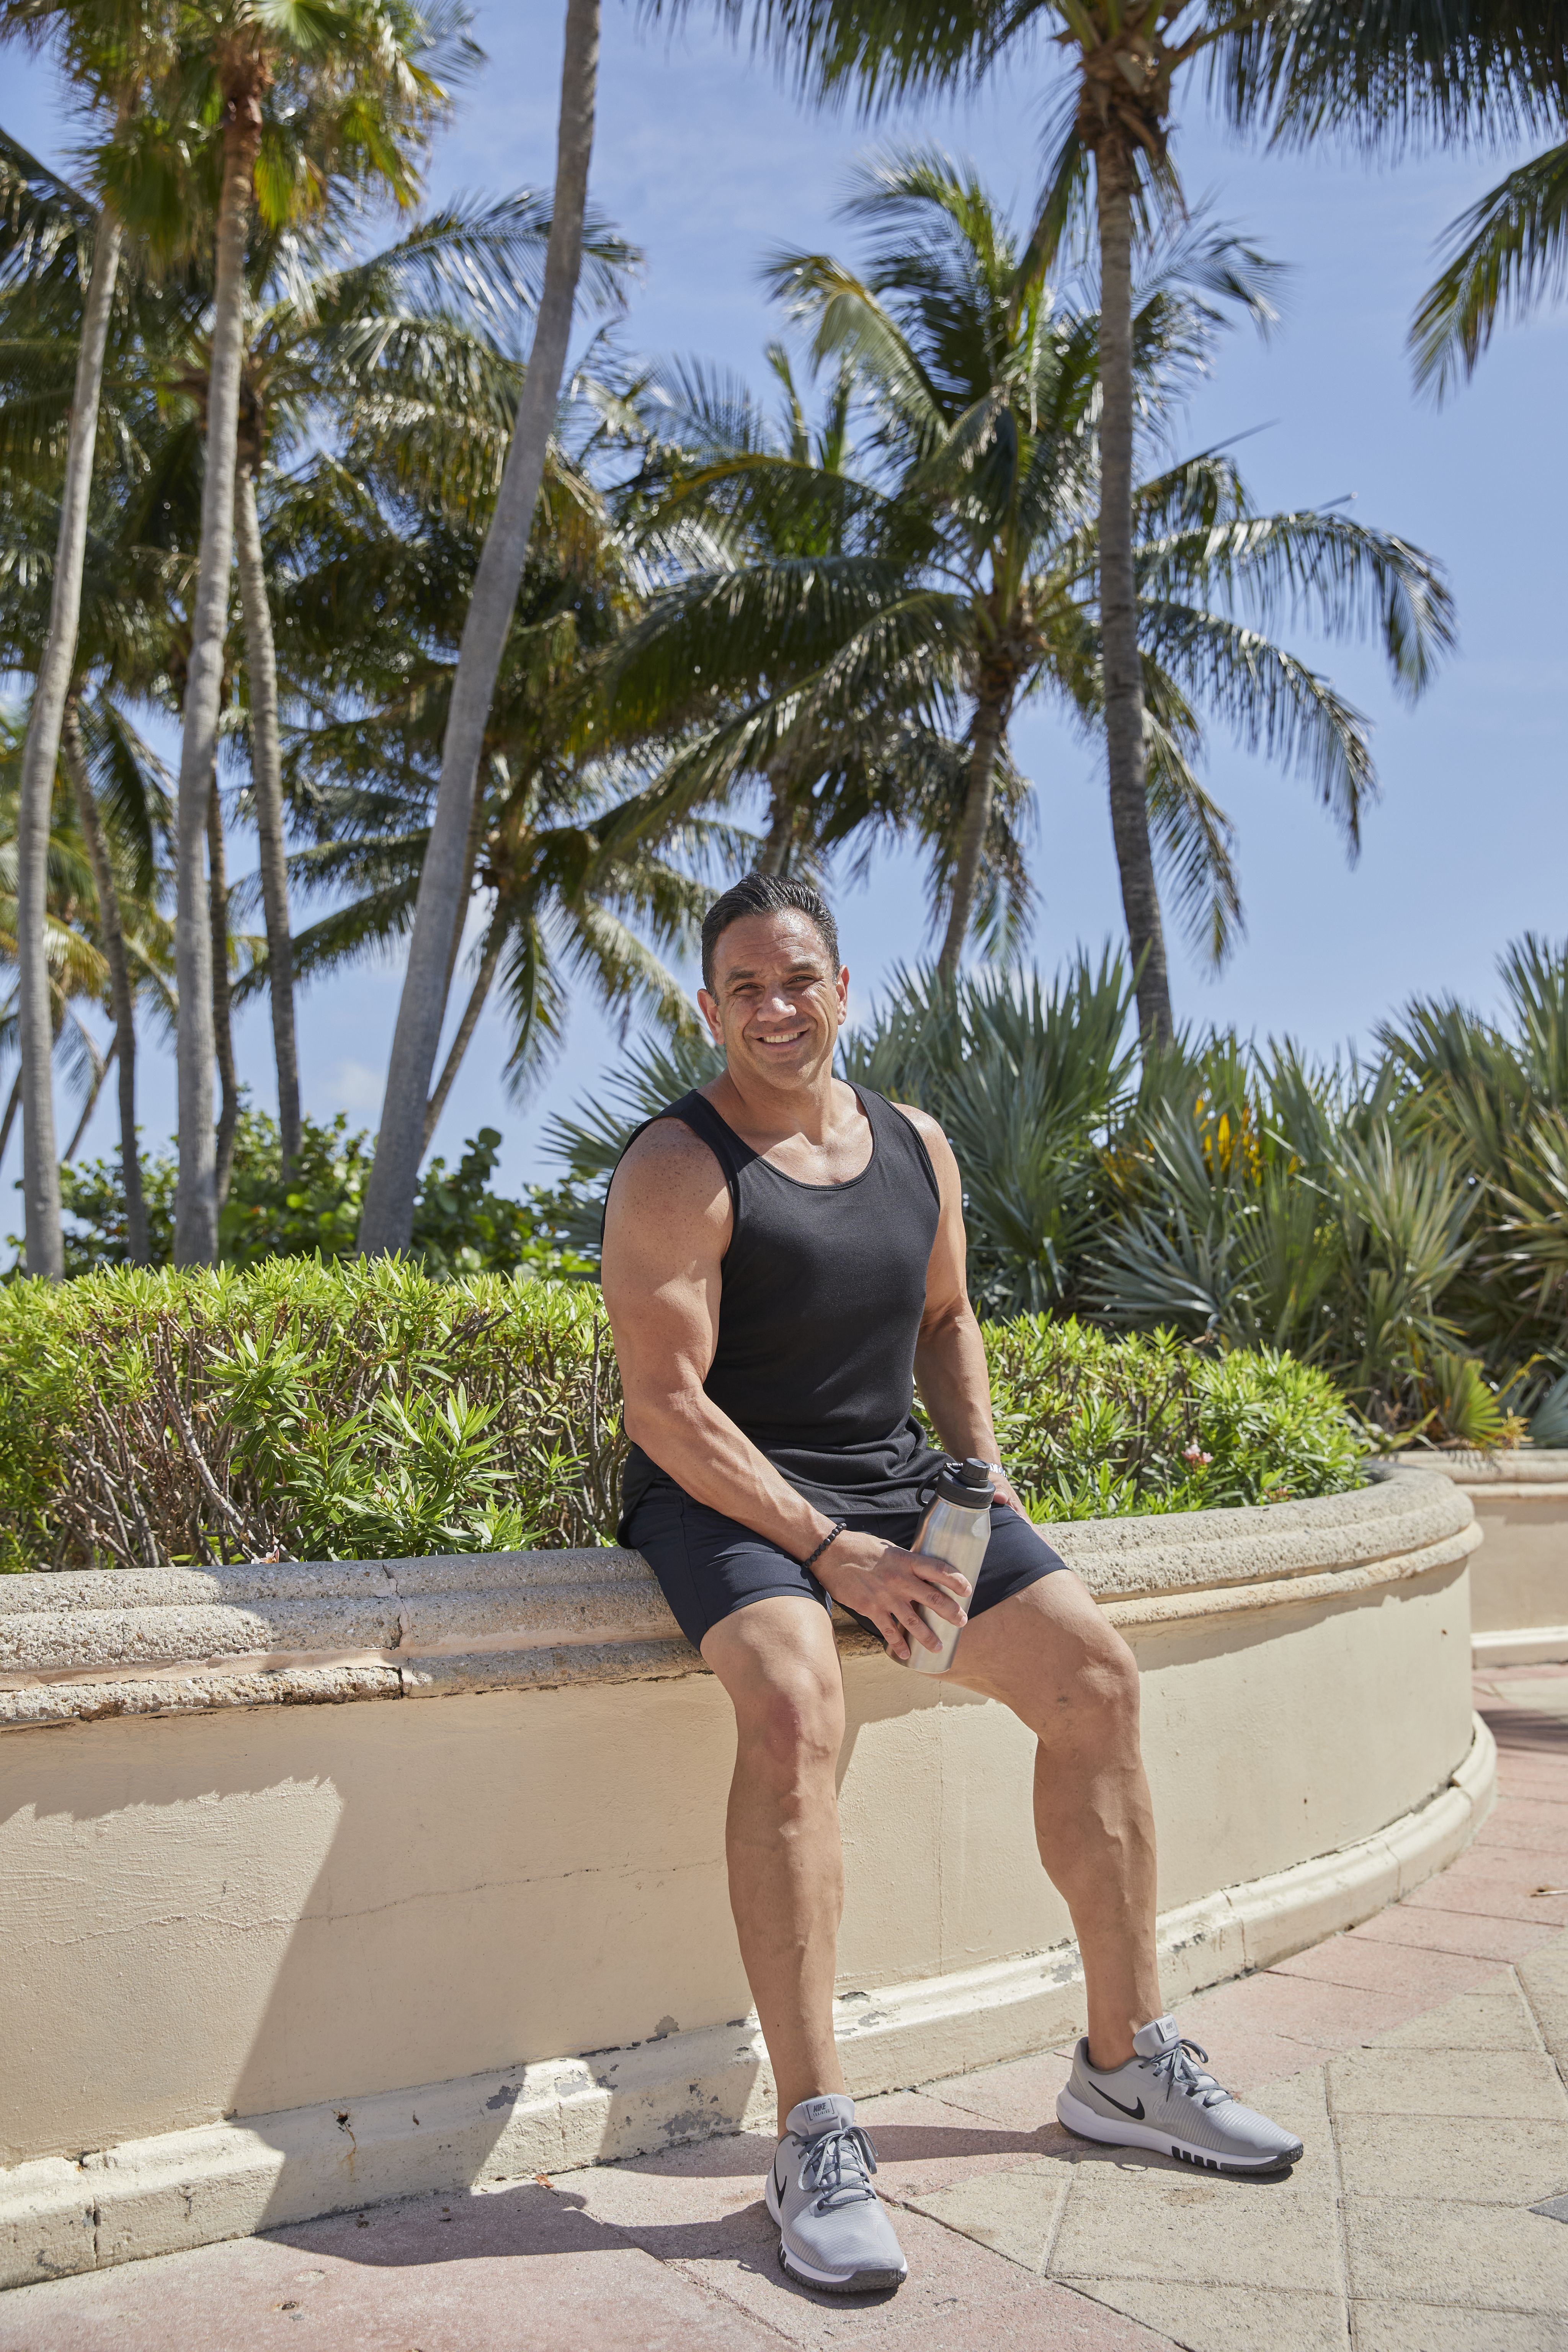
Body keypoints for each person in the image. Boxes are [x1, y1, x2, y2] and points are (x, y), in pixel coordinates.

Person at [601, 874, 1302, 2297]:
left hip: (891, 1483)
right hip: (726, 1492)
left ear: (843, 988)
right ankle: (814, 2133)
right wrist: (829, 1547)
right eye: (742, 988)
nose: (775, 1007)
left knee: (1095, 1679)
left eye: (797, 979)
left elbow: (946, 1315)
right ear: (709, 1009)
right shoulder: (677, 1166)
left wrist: (977, 1481)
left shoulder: (915, 1143)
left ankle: (1123, 2066)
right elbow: (666, 1406)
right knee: (797, 1708)